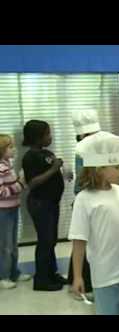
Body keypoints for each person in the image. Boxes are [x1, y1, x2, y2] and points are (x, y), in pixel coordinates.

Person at [69, 131, 119, 315]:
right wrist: (77, 276)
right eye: (117, 167)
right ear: (99, 169)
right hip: (105, 276)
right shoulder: (84, 199)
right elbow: (79, 242)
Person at [22, 120, 67, 291]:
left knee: (51, 240)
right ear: (37, 137)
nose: (50, 136)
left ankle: (51, 273)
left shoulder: (45, 153)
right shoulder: (30, 157)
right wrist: (54, 169)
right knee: (45, 241)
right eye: (47, 134)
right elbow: (33, 183)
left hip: (50, 203)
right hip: (40, 204)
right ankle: (41, 280)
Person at [67, 109, 101, 299]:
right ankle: (81, 282)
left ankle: (79, 280)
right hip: (84, 200)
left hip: (87, 198)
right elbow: (83, 180)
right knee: (83, 243)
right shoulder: (82, 150)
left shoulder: (87, 146)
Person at [0, 134, 32, 289]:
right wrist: (20, 184)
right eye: (10, 147)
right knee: (5, 245)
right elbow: (2, 192)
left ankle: (14, 272)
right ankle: (4, 276)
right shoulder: (0, 168)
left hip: (13, 208)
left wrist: (19, 183)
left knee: (13, 243)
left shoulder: (8, 166)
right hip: (3, 211)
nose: (13, 149)